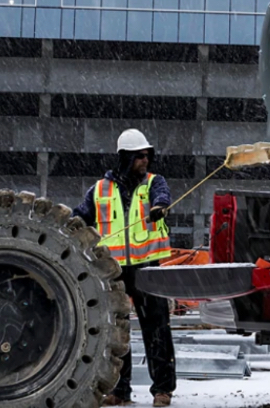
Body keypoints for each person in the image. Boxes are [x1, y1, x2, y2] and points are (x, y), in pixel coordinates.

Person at [73, 129, 176, 407]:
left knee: (157, 329)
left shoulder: (154, 183)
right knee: (116, 332)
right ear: (125, 158)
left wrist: (160, 206)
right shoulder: (99, 190)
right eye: (139, 156)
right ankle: (119, 390)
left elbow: (162, 195)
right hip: (113, 271)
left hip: (147, 267)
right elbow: (80, 217)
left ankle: (162, 390)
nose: (145, 160)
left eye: (147, 155)